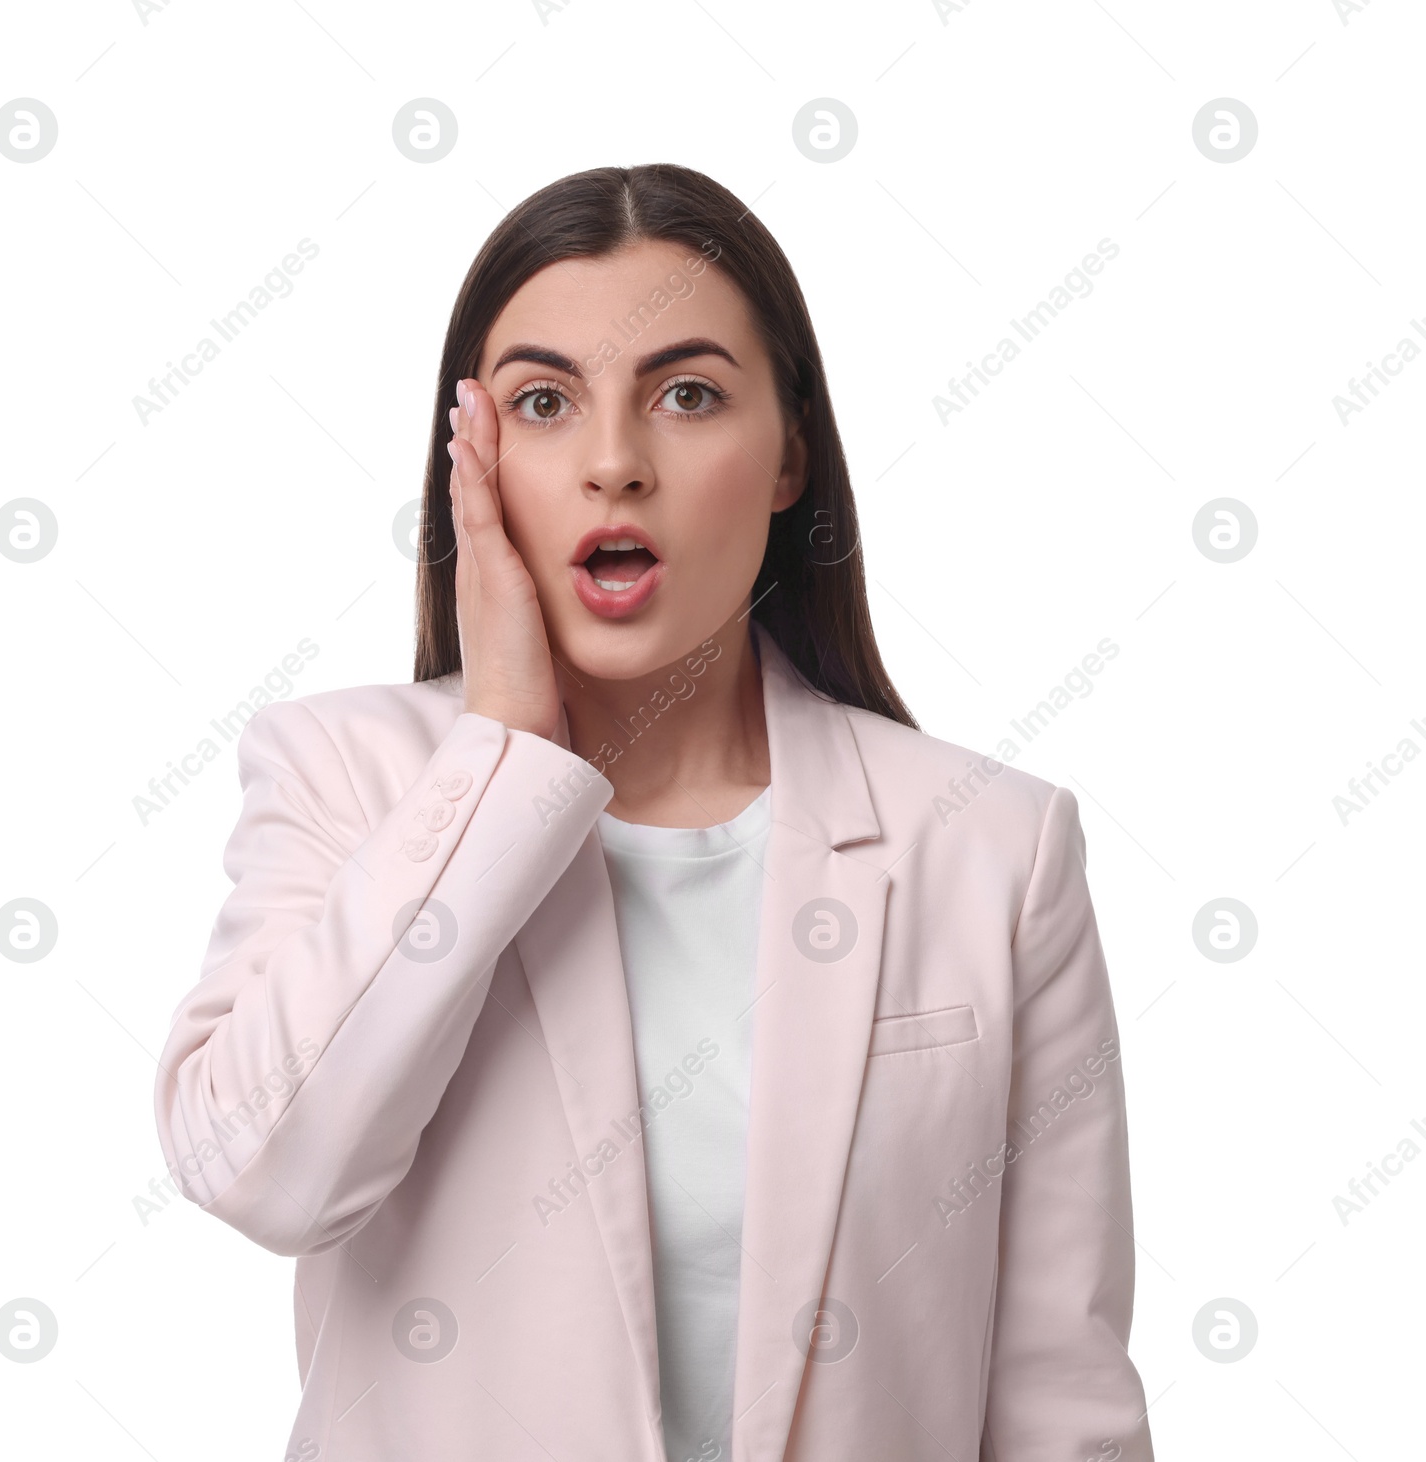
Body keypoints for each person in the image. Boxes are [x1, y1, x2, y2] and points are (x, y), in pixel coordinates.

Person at [154, 162, 1155, 1462]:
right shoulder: (345, 774)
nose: (614, 463)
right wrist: (504, 748)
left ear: (792, 451)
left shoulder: (991, 845)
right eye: (543, 402)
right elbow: (260, 1166)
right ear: (475, 458)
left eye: (687, 395)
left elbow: (1059, 1396)